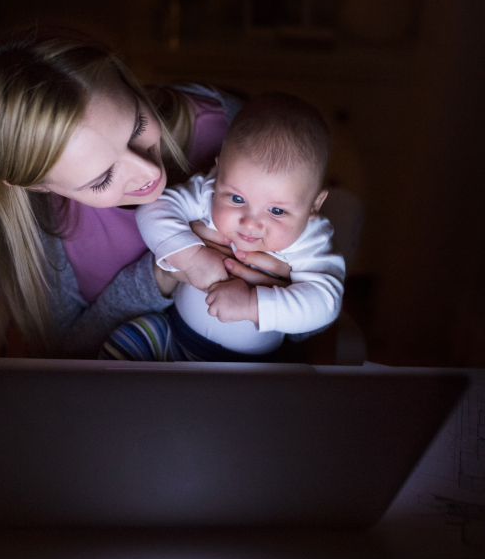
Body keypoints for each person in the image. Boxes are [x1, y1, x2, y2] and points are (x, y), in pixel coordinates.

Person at [0, 24, 291, 357]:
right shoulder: (47, 222)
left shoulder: (229, 126)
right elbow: (66, 350)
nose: (150, 172)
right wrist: (163, 269)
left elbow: (313, 327)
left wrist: (283, 291)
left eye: (138, 126)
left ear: (126, 80)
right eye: (101, 179)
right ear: (36, 185)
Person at [102, 93, 345, 362]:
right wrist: (191, 257)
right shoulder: (210, 191)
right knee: (126, 341)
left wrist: (253, 305)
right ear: (220, 173)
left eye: (277, 211)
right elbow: (153, 209)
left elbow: (325, 303)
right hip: (173, 335)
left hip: (249, 365)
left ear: (314, 206)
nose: (250, 223)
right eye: (237, 198)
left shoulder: (310, 240)